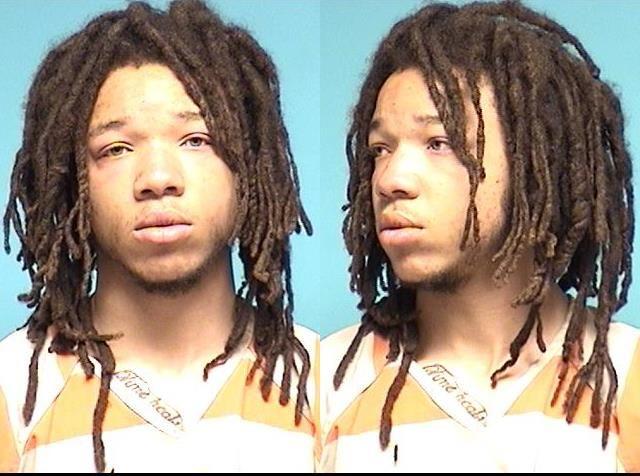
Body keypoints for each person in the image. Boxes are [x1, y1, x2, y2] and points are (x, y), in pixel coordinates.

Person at [320, 0, 639, 472]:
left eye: (439, 143)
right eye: (380, 149)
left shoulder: (627, 378)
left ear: (536, 166)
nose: (391, 179)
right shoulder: (323, 384)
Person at [0, 0, 318, 472]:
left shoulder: (322, 383)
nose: (157, 177)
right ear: (69, 181)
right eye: (116, 148)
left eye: (196, 140)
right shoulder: (11, 390)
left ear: (250, 170)